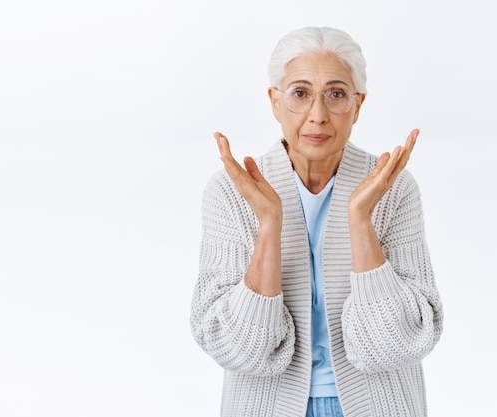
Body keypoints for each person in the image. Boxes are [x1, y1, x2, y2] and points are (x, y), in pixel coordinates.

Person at [189, 26, 443, 417]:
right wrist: (270, 226)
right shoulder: (230, 193)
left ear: (358, 105)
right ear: (275, 102)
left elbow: (402, 341)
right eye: (300, 93)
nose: (318, 115)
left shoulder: (394, 189)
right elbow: (233, 346)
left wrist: (360, 220)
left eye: (336, 94)